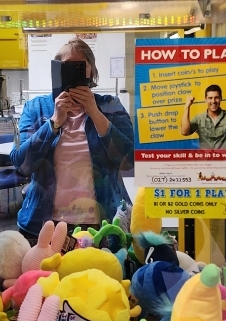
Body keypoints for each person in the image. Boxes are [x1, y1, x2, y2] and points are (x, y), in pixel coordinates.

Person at [11, 38, 134, 240]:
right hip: (44, 225)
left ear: (91, 71)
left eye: (80, 67)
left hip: (102, 225)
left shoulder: (110, 106)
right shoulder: (36, 108)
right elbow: (22, 164)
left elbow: (129, 161)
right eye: (68, 66)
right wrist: (54, 122)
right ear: (57, 71)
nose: (74, 73)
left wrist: (95, 113)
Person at [180, 84, 226, 149]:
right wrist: (187, 107)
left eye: (216, 98)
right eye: (210, 98)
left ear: (221, 98)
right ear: (206, 99)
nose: (213, 101)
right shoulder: (199, 119)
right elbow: (185, 132)